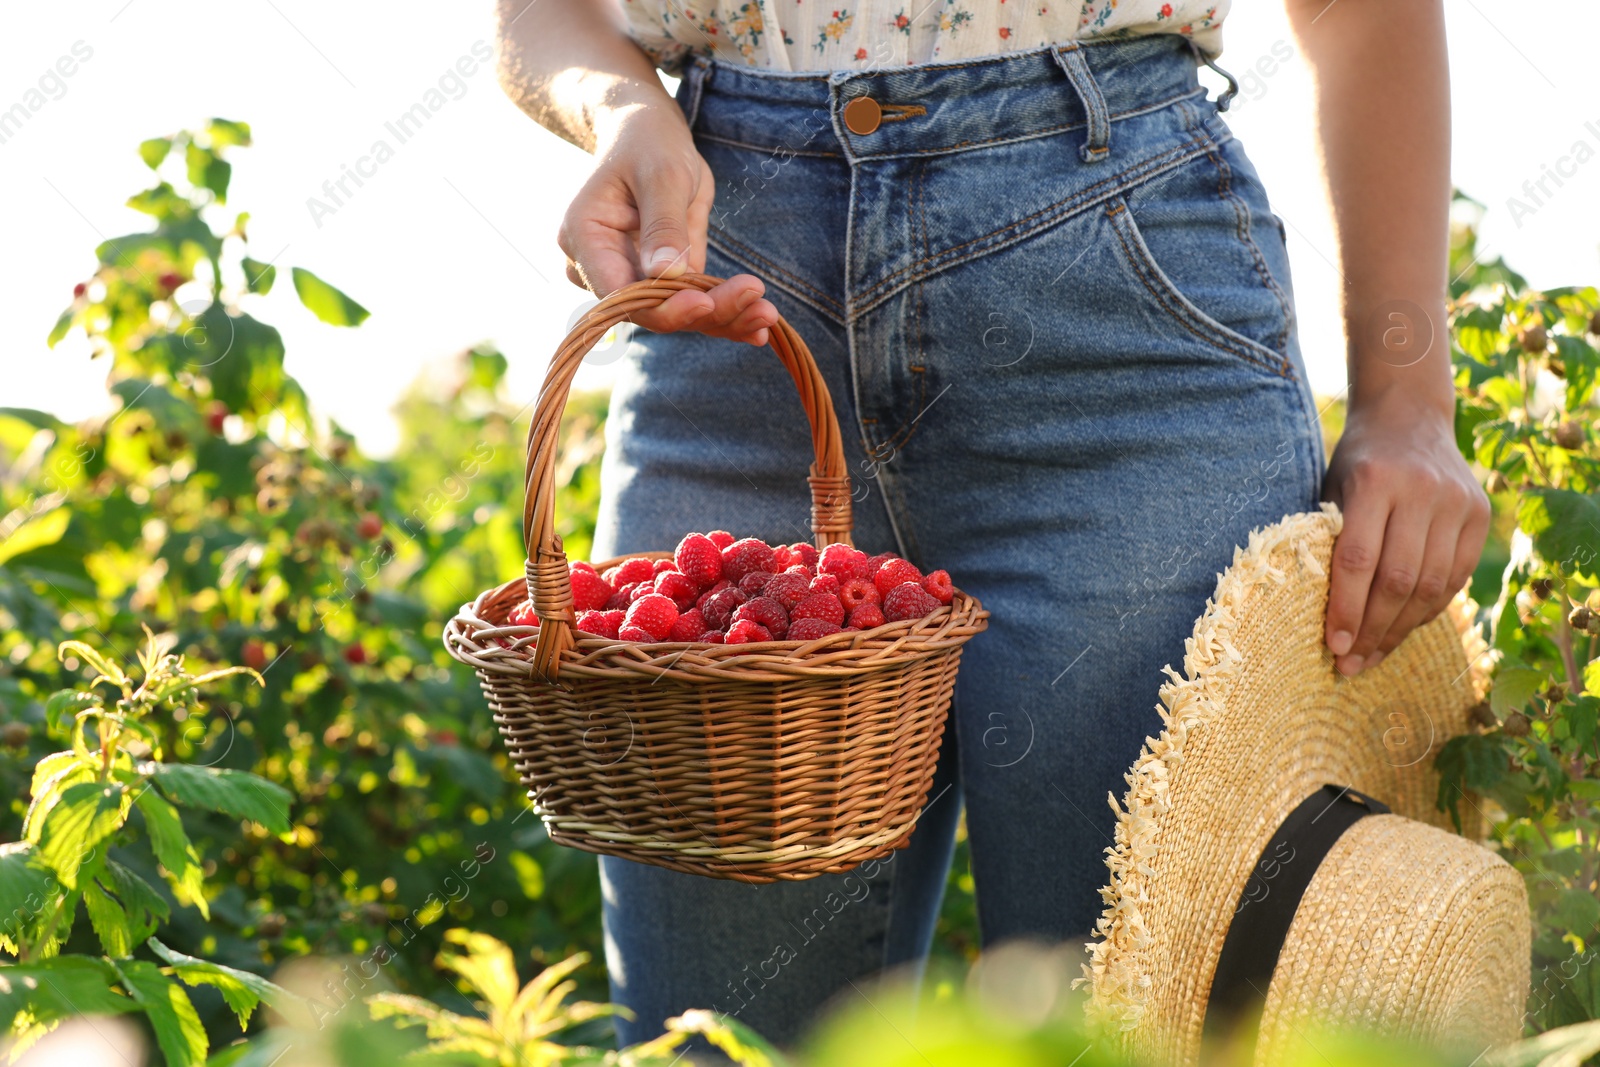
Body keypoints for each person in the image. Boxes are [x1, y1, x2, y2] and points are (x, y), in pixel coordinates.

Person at [493, 0, 1489, 1051]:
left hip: (1116, 314)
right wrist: (623, 113)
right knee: (711, 1042)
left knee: (1140, 1026)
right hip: (727, 296)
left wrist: (1410, 402)